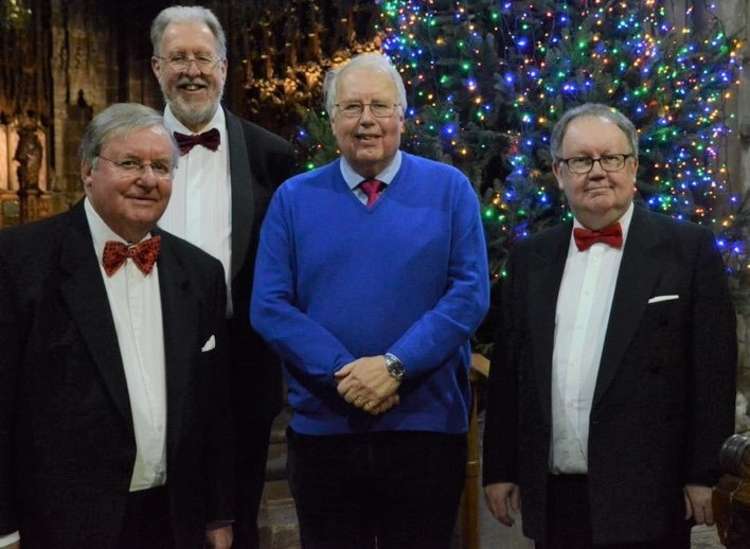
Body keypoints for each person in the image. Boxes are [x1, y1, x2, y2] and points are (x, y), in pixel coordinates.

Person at [251, 52, 490, 549]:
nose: (366, 121)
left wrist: (395, 366)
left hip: (425, 428)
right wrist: (347, 372)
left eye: (380, 106)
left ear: (402, 116)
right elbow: (270, 306)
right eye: (351, 107)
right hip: (324, 431)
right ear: (332, 118)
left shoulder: (450, 190)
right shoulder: (293, 199)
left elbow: (468, 294)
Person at [482, 102, 737, 548]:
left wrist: (703, 474)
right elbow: (509, 373)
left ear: (633, 166)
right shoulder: (530, 259)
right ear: (560, 173)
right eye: (580, 160)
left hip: (650, 494)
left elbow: (713, 373)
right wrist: (500, 468)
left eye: (611, 158)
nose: (597, 171)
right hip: (555, 494)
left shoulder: (688, 250)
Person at [0, 103, 233, 549]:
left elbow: (213, 409)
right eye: (130, 163)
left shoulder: (200, 273)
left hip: (173, 519)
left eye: (161, 167)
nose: (148, 179)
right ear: (88, 171)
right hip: (61, 523)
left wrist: (217, 514)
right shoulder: (18, 263)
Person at [149, 6, 295, 548]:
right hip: (150, 349)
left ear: (225, 67)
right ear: (157, 67)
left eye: (202, 57)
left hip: (241, 360)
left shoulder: (271, 155)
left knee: (236, 513)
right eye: (178, 57)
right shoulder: (128, 150)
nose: (192, 70)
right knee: (155, 505)